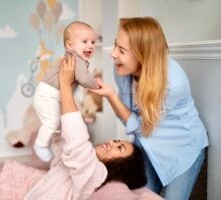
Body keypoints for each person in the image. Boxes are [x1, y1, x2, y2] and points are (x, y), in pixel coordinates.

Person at [89, 17, 209, 200]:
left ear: (142, 54)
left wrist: (111, 96)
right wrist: (111, 95)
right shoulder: (122, 70)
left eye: (121, 50)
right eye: (115, 45)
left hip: (181, 148)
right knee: (138, 196)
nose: (113, 54)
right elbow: (128, 118)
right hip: (146, 142)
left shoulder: (172, 84)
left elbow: (141, 127)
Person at [24, 55, 148, 200]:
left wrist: (65, 85)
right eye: (116, 141)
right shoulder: (80, 161)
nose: (113, 143)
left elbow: (77, 141)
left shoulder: (96, 174)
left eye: (119, 148)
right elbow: (64, 137)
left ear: (122, 165)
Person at [33, 21, 99, 162]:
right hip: (48, 95)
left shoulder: (73, 58)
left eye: (93, 42)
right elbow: (84, 79)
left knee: (60, 124)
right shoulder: (76, 59)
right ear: (70, 45)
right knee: (52, 122)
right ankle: (40, 145)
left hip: (50, 95)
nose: (90, 46)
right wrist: (96, 84)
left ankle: (53, 145)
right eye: (85, 41)